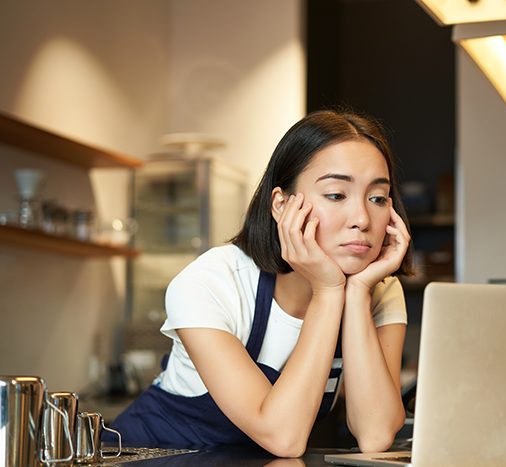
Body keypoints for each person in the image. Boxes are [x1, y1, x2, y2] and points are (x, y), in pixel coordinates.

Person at [106, 109, 414, 457]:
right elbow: (283, 437)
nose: (362, 218)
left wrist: (356, 293)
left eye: (377, 198)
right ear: (282, 205)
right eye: (336, 195)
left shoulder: (379, 290)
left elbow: (375, 436)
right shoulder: (209, 284)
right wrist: (328, 292)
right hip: (149, 457)